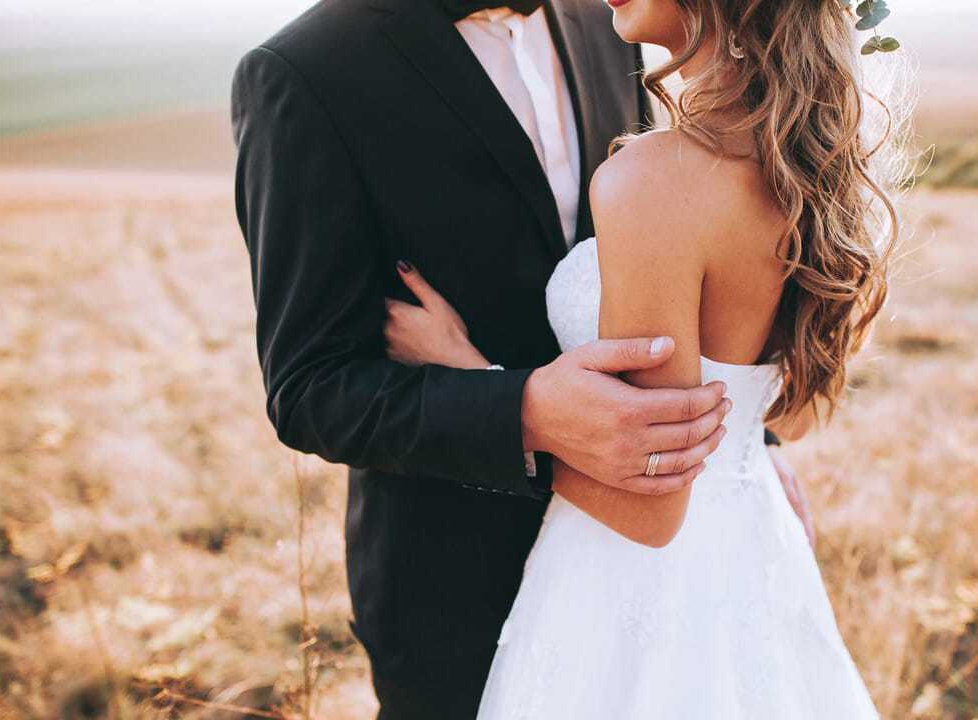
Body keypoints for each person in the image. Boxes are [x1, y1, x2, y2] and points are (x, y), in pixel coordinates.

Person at [230, 0, 816, 716]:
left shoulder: (617, 19)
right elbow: (311, 387)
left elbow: (699, 262)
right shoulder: (307, 73)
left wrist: (750, 439)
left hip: (663, 577)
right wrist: (523, 410)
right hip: (456, 586)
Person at [379, 0, 908, 715]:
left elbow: (648, 514)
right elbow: (799, 411)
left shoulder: (656, 180)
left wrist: (474, 377)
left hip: (629, 593)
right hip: (757, 559)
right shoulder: (815, 157)